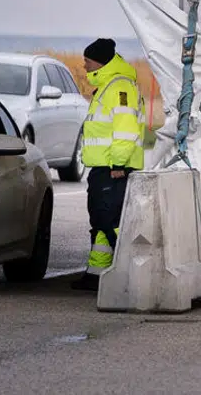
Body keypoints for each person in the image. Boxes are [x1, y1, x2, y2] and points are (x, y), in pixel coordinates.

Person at [73, 38, 145, 291]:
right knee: (101, 221)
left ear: (100, 62)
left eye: (88, 61)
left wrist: (118, 164)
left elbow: (126, 130)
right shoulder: (108, 86)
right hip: (104, 167)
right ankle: (97, 274)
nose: (85, 66)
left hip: (113, 169)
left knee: (109, 220)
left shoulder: (119, 88)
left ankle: (128, 271)